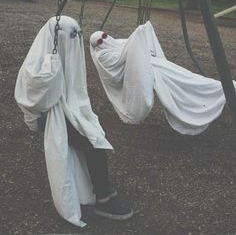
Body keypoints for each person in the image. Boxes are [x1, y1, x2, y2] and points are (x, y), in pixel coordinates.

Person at [15, 16, 133, 228]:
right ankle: (103, 199)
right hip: (53, 116)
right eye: (70, 36)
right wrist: (51, 71)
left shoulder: (63, 54)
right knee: (94, 145)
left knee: (97, 135)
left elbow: (73, 88)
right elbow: (33, 95)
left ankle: (98, 184)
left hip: (70, 108)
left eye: (77, 36)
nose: (74, 42)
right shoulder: (37, 62)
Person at [90, 21, 236, 135]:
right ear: (96, 46)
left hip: (154, 66)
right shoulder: (102, 55)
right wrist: (138, 35)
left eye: (104, 36)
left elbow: (129, 45)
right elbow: (124, 54)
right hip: (151, 72)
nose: (105, 40)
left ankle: (219, 89)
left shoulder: (114, 44)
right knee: (179, 83)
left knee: (186, 77)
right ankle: (217, 91)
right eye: (101, 41)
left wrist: (142, 34)